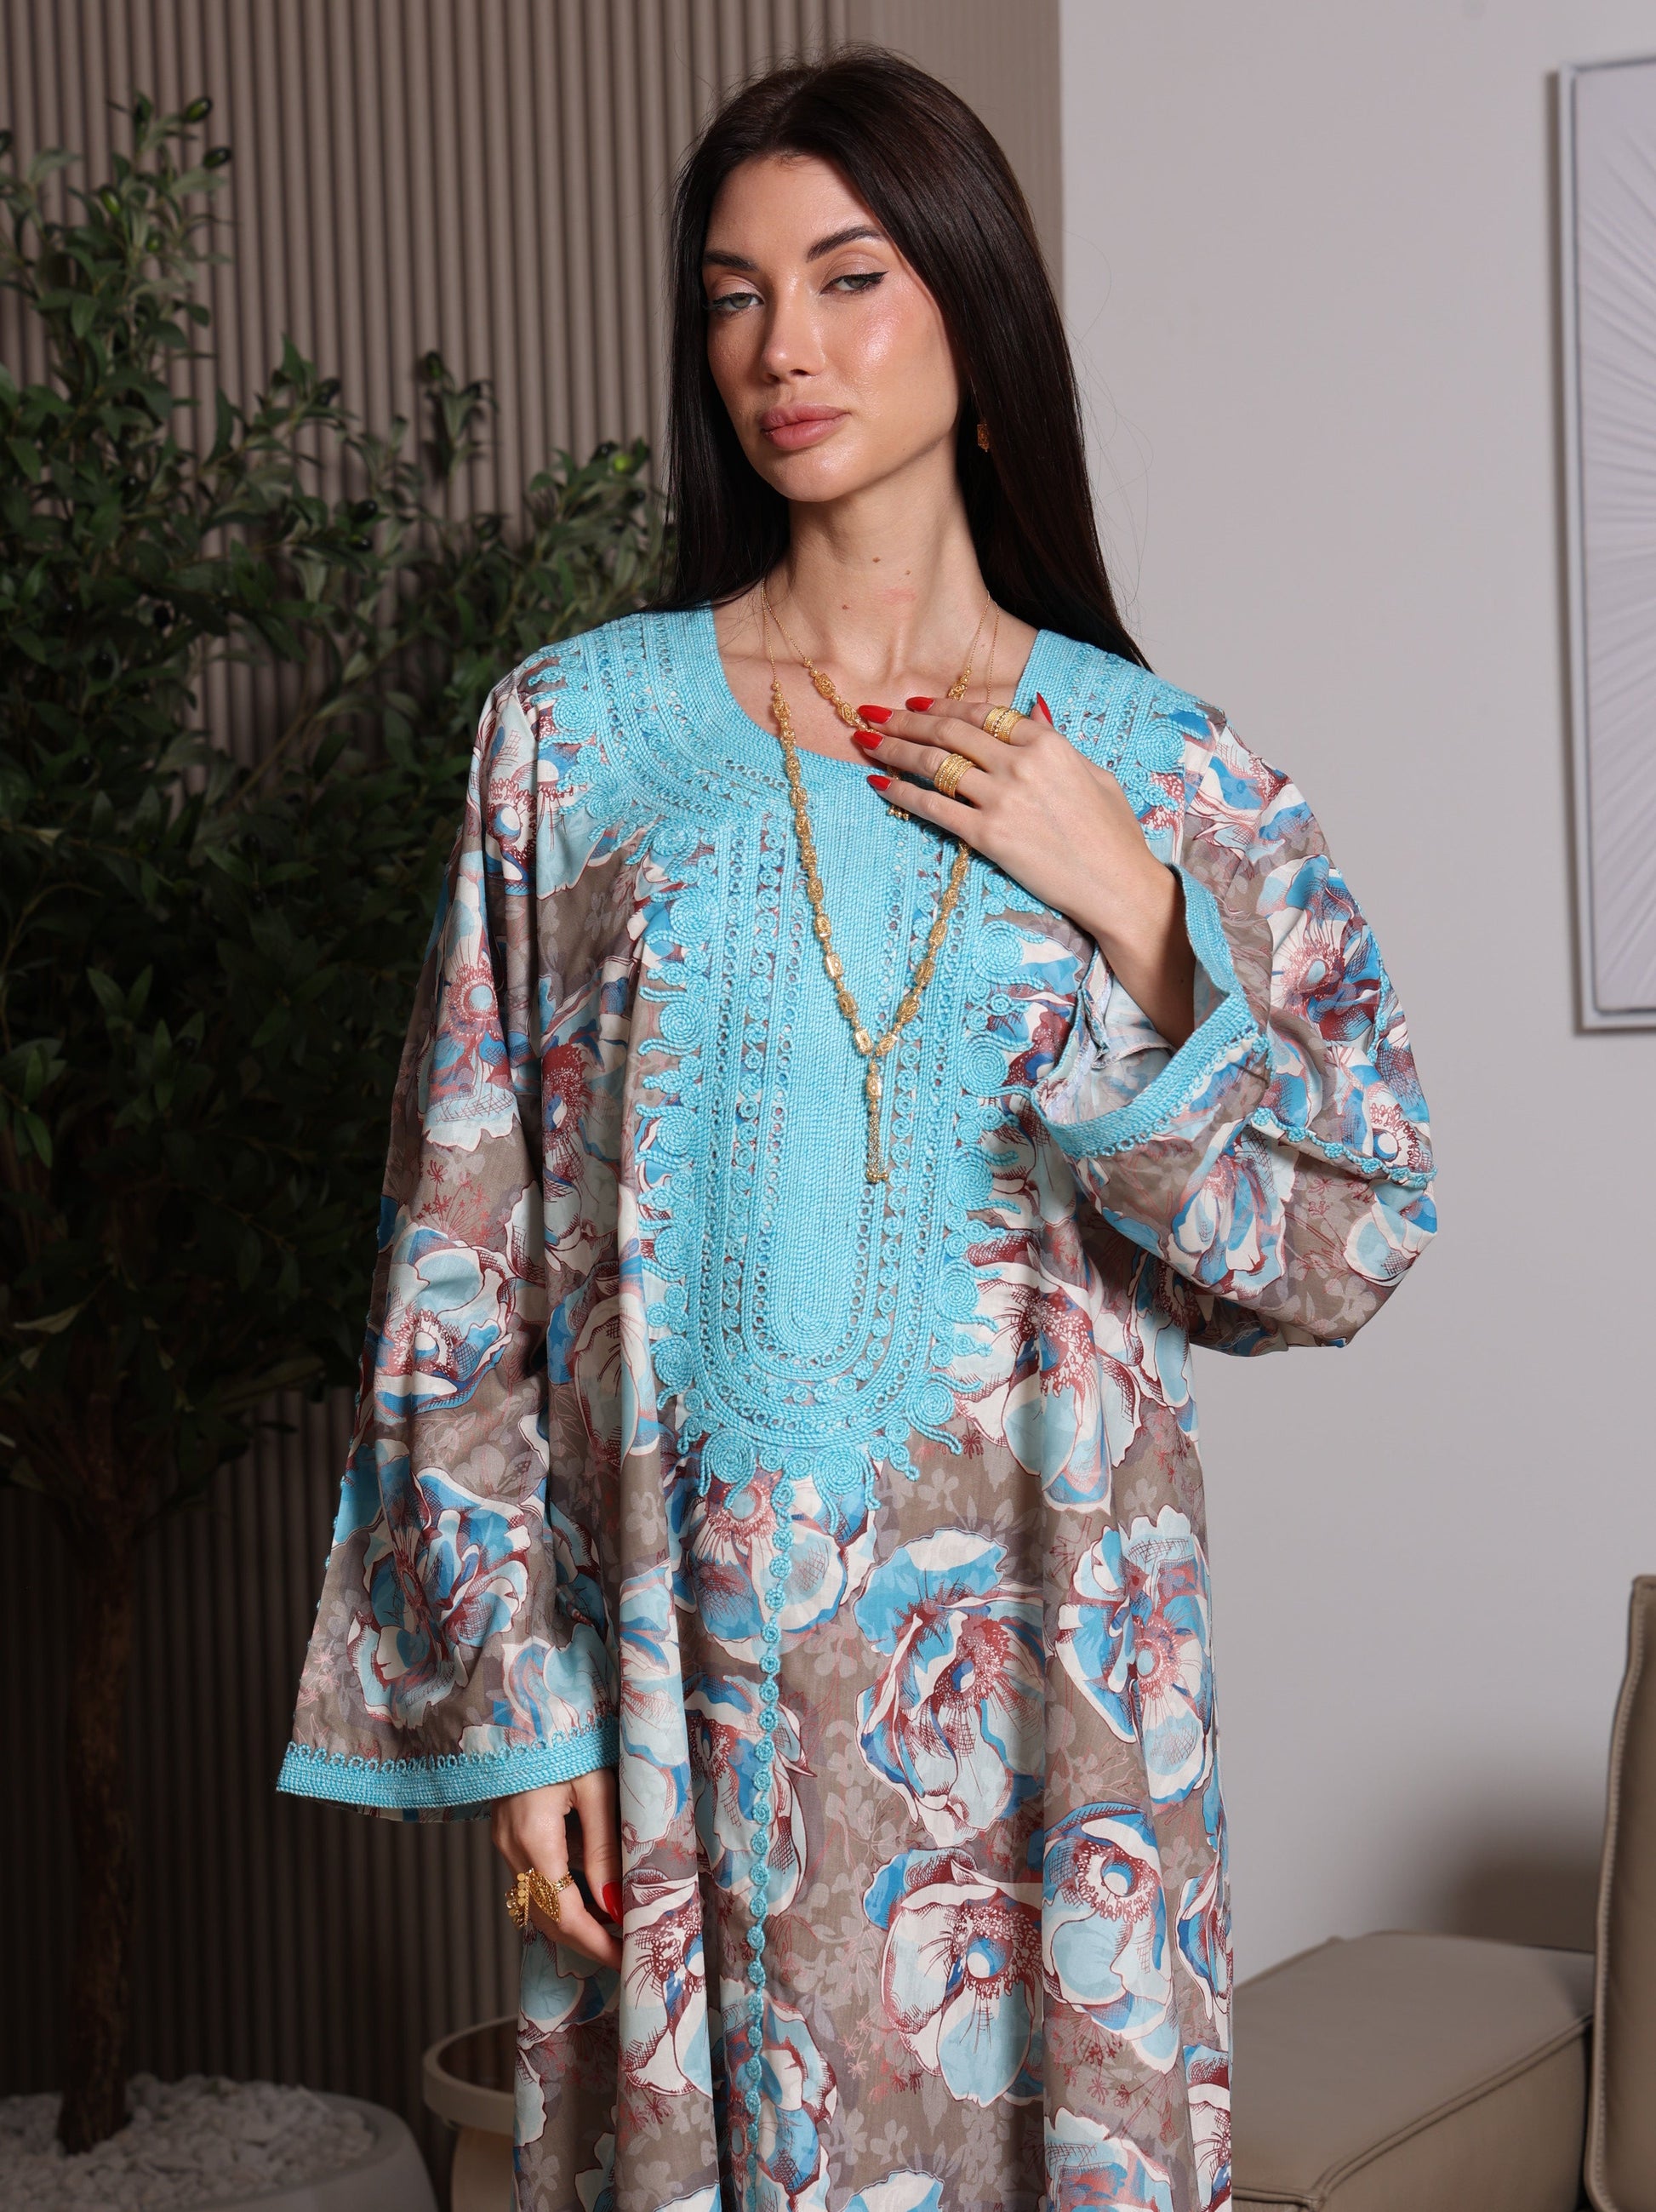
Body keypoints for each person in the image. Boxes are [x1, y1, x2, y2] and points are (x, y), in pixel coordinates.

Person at [278, 48, 1435, 2212]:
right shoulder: (571, 743)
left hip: (1059, 1721)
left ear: (974, 314)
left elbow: (1344, 1235)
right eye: (731, 296)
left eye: (845, 277)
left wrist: (1140, 913)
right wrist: (524, 1717)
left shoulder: (1160, 768)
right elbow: (459, 1257)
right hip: (674, 1703)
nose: (779, 348)